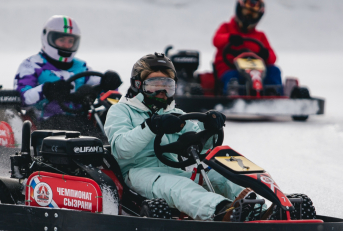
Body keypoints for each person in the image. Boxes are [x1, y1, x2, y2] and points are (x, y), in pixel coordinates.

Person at [104, 52, 256, 221]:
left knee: (220, 174)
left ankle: (258, 208)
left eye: (167, 86)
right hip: (138, 173)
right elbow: (121, 149)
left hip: (173, 169)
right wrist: (151, 126)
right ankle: (221, 209)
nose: (162, 92)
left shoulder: (175, 113)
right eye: (155, 85)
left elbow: (202, 146)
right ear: (138, 85)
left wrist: (210, 129)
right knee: (181, 186)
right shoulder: (121, 110)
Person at [14, 15, 122, 127]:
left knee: (111, 118)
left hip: (81, 123)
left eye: (70, 41)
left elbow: (108, 95)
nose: (66, 45)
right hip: (44, 125)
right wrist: (47, 90)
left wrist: (109, 83)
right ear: (48, 38)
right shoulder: (32, 65)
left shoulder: (81, 67)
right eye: (62, 40)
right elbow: (22, 99)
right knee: (64, 124)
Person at [213, 0, 282, 94]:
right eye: (246, 12)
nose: (248, 17)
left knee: (274, 71)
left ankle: (274, 94)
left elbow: (273, 57)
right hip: (230, 67)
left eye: (253, 14)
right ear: (239, 10)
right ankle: (233, 95)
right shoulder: (226, 28)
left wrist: (266, 55)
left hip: (256, 71)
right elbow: (216, 40)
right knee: (232, 77)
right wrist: (230, 38)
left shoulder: (260, 36)